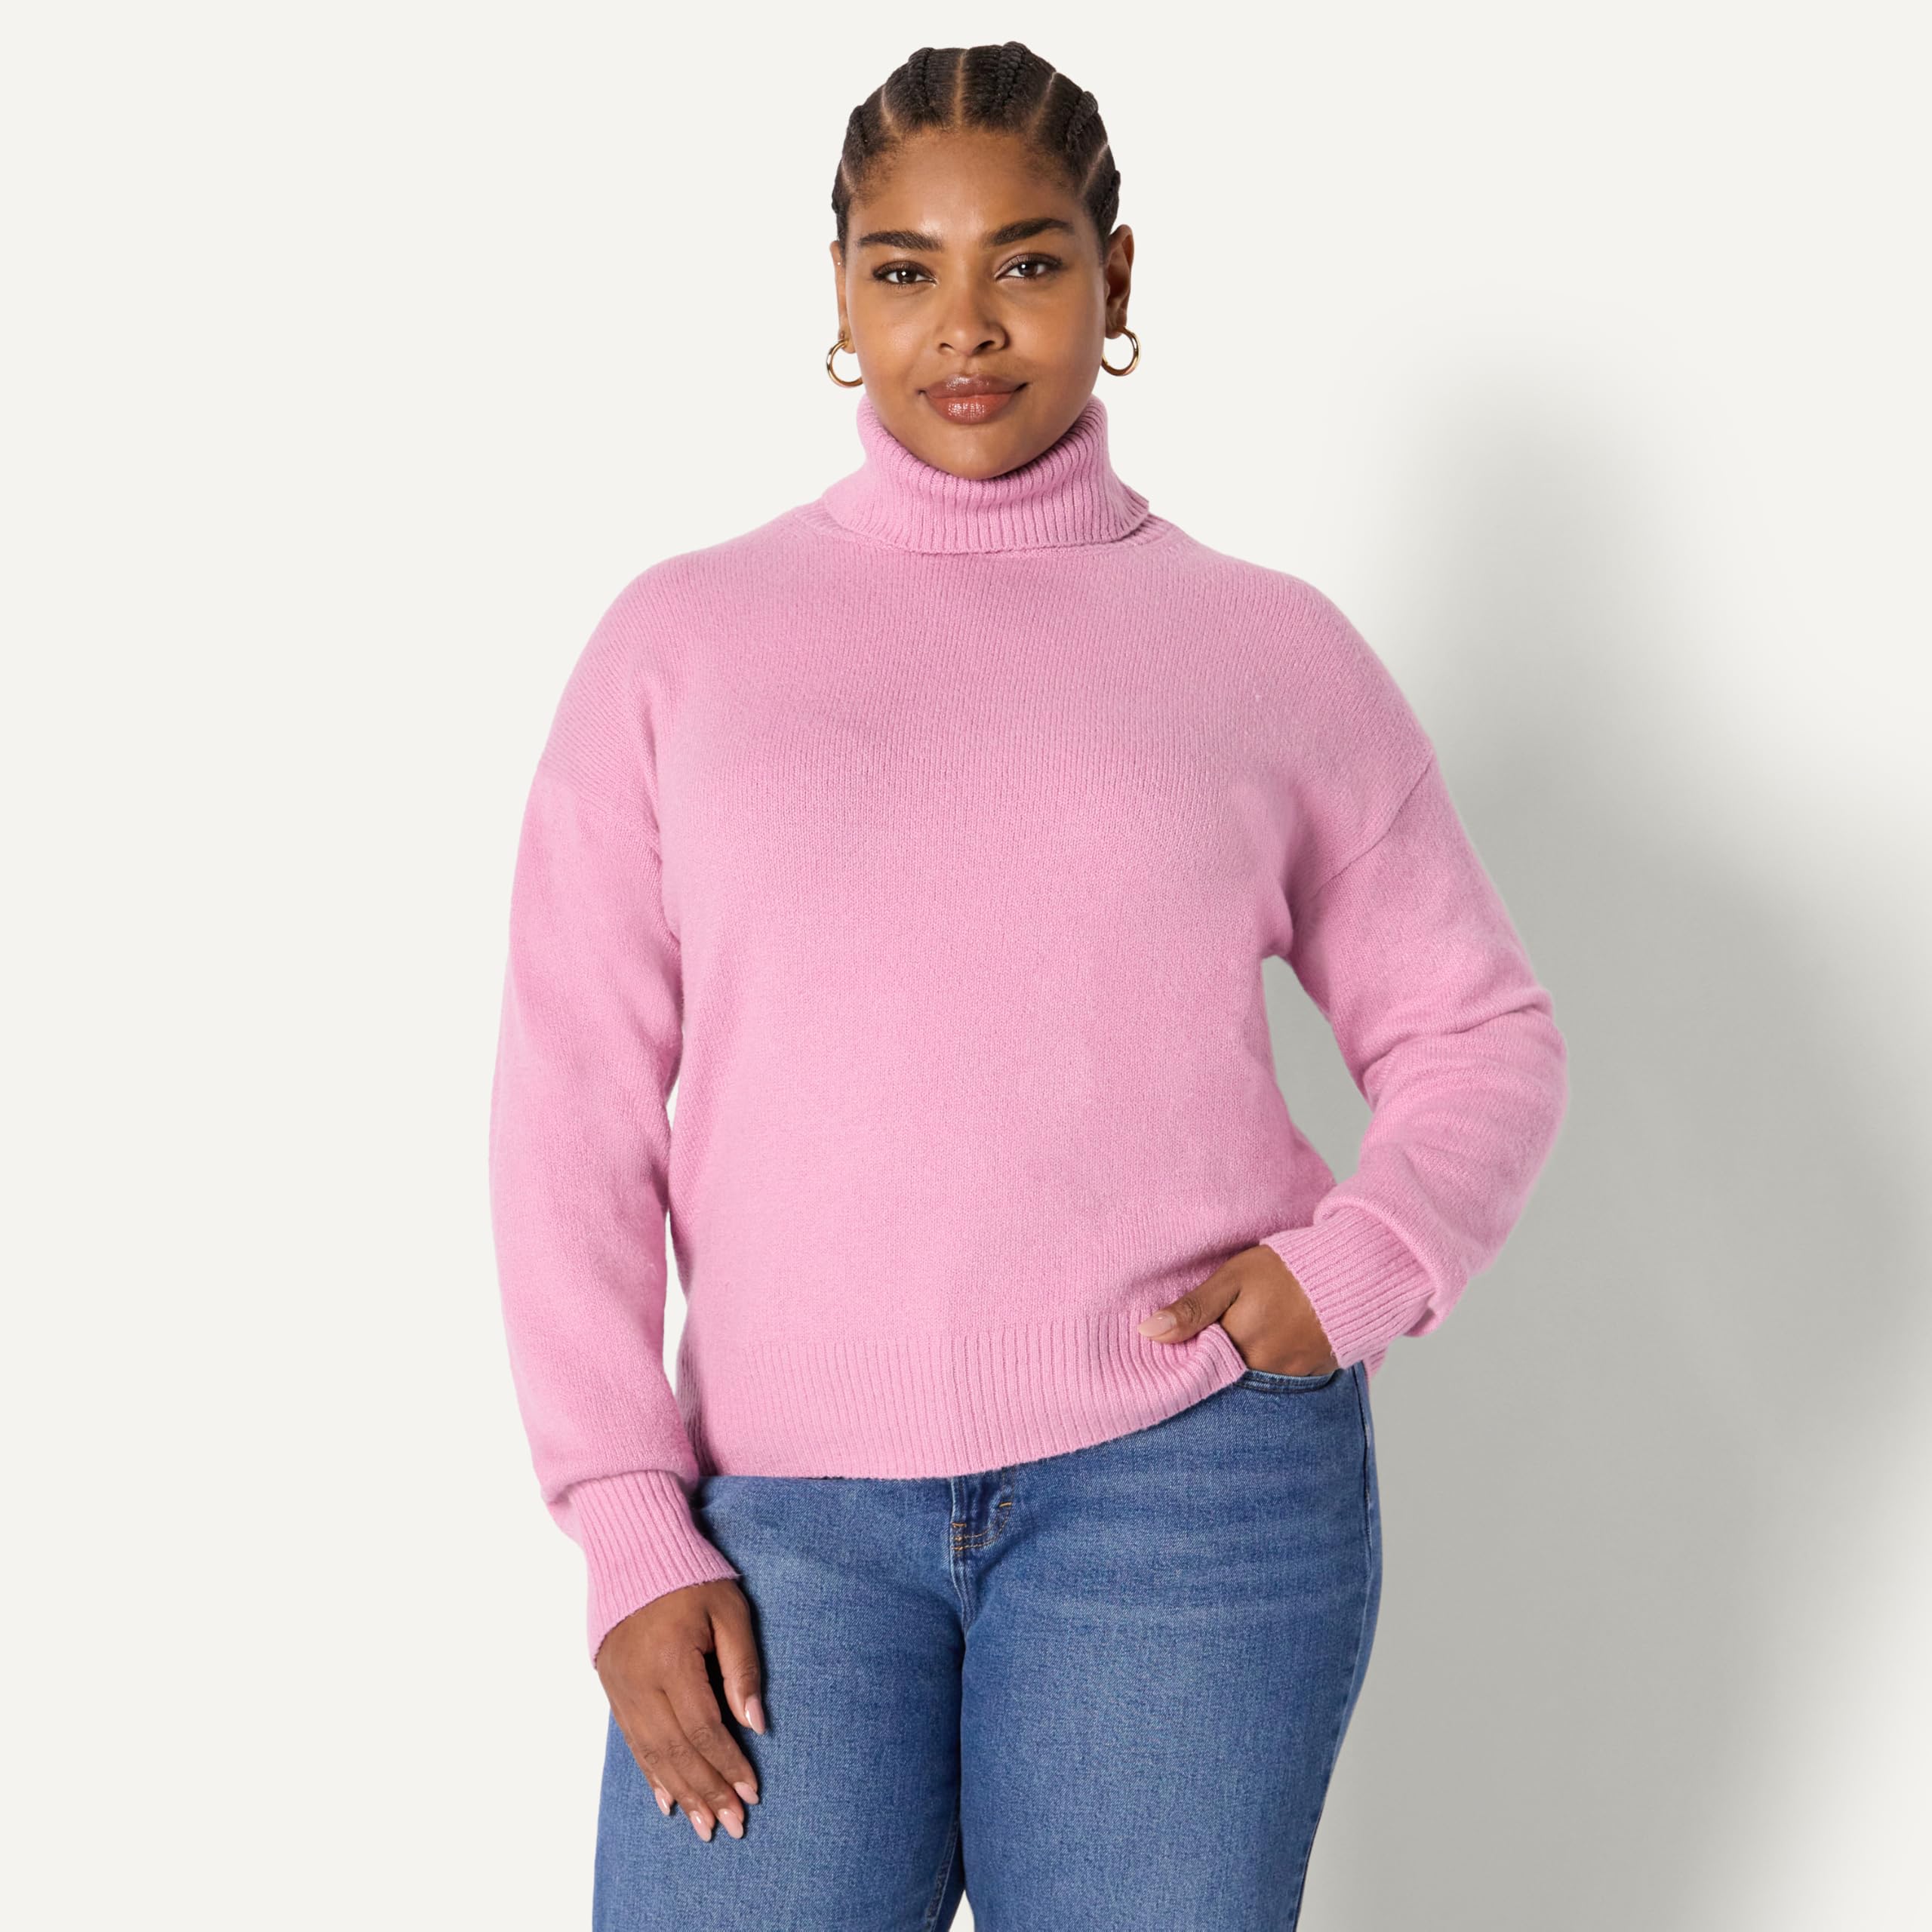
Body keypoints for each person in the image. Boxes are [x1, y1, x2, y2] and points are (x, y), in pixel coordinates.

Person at [488, 39, 1569, 1931]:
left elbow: (1476, 1032)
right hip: (783, 1518)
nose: (965, 325)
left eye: (1029, 261)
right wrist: (624, 1521)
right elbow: (569, 1115)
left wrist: (1356, 1264)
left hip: (1187, 1495)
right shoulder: (680, 647)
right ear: (838, 292)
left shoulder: (1266, 649)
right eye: (904, 267)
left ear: (1114, 277)